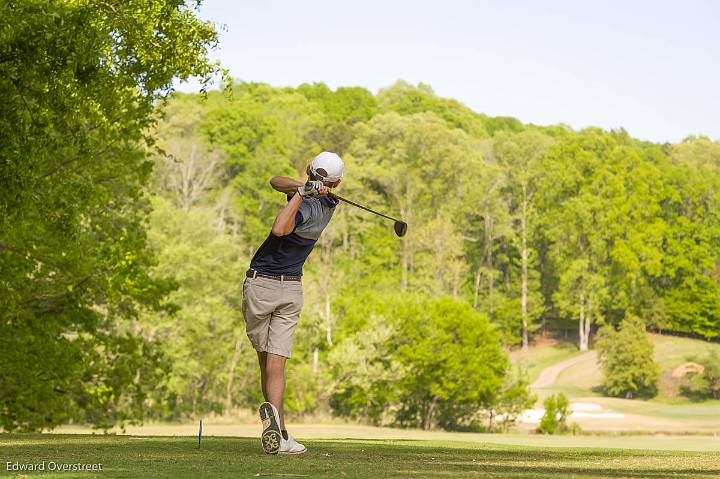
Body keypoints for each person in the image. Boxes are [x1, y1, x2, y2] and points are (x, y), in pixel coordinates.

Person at [242, 151, 344, 455]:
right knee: (275, 364)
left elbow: (280, 229)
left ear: (309, 168)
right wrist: (304, 187)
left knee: (269, 364)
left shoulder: (312, 209)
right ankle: (282, 433)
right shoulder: (328, 201)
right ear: (337, 181)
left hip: (261, 285)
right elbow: (276, 181)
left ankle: (279, 429)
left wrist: (301, 193)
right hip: (291, 290)